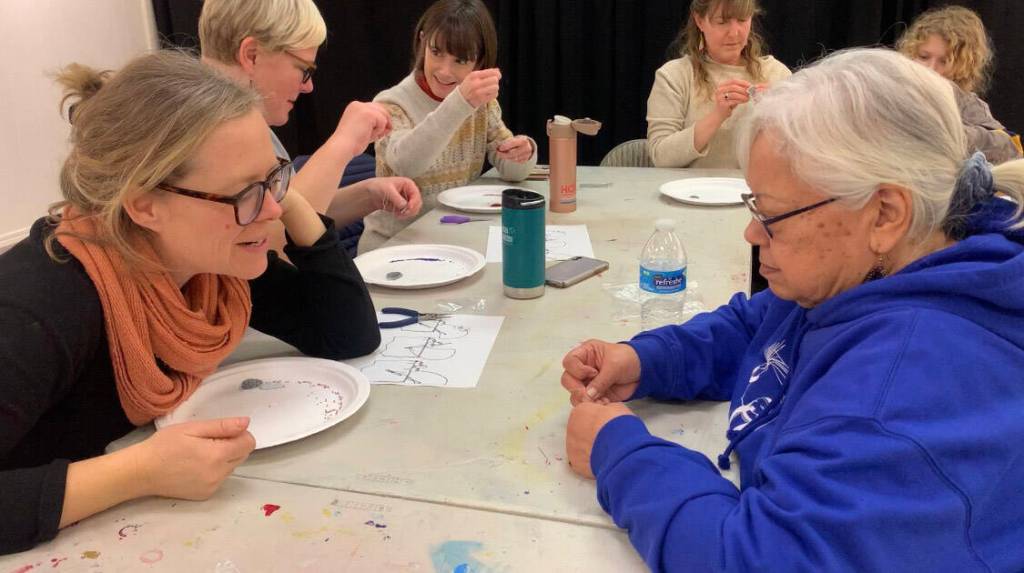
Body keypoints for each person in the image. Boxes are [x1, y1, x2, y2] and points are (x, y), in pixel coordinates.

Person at [562, 48, 1024, 571]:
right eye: (754, 205)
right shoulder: (872, 270)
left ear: (885, 215)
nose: (752, 233)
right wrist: (646, 360)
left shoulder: (896, 399)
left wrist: (619, 452)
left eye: (773, 215)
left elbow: (751, 558)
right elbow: (762, 324)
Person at [0, 51, 380, 554]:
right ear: (144, 206)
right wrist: (139, 472)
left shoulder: (208, 270)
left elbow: (348, 334)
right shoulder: (39, 306)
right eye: (245, 191)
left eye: (273, 178)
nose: (268, 209)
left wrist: (286, 203)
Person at [199, 0, 423, 235]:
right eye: (304, 69)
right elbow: (279, 239)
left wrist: (369, 195)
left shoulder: (239, 118)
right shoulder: (209, 135)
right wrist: (342, 144)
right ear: (252, 55)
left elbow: (298, 211)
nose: (308, 87)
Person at [362, 0, 537, 253]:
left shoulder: (480, 103)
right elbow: (406, 164)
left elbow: (512, 170)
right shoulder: (390, 102)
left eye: (461, 60)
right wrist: (460, 103)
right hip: (394, 247)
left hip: (453, 242)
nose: (445, 70)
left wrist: (524, 152)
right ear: (423, 42)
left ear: (479, 63)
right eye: (436, 52)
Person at [646, 0, 790, 169]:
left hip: (755, 193)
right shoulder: (674, 75)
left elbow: (801, 155)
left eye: (742, 20)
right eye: (722, 22)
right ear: (699, 21)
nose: (734, 33)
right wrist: (718, 115)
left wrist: (777, 118)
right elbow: (661, 157)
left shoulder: (777, 74)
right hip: (691, 192)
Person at [896, 5, 1021, 164]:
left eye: (944, 61)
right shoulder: (892, 90)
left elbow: (1010, 147)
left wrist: (951, 134)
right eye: (923, 56)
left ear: (963, 66)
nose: (931, 69)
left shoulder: (968, 104)